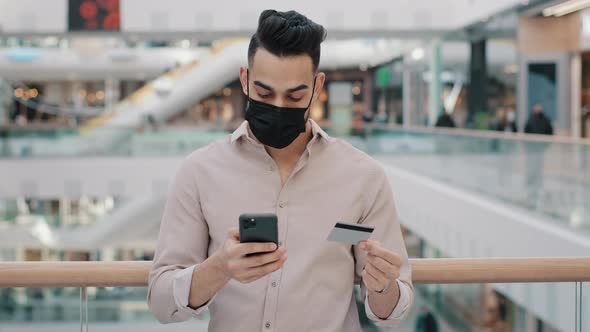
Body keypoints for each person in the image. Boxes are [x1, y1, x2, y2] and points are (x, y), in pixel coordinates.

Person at [148, 9, 413, 332]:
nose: (278, 106)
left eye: (294, 96)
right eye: (264, 93)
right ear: (244, 80)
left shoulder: (363, 176)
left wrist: (383, 286)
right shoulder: (199, 172)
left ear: (317, 87)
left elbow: (393, 314)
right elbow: (161, 303)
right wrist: (219, 268)